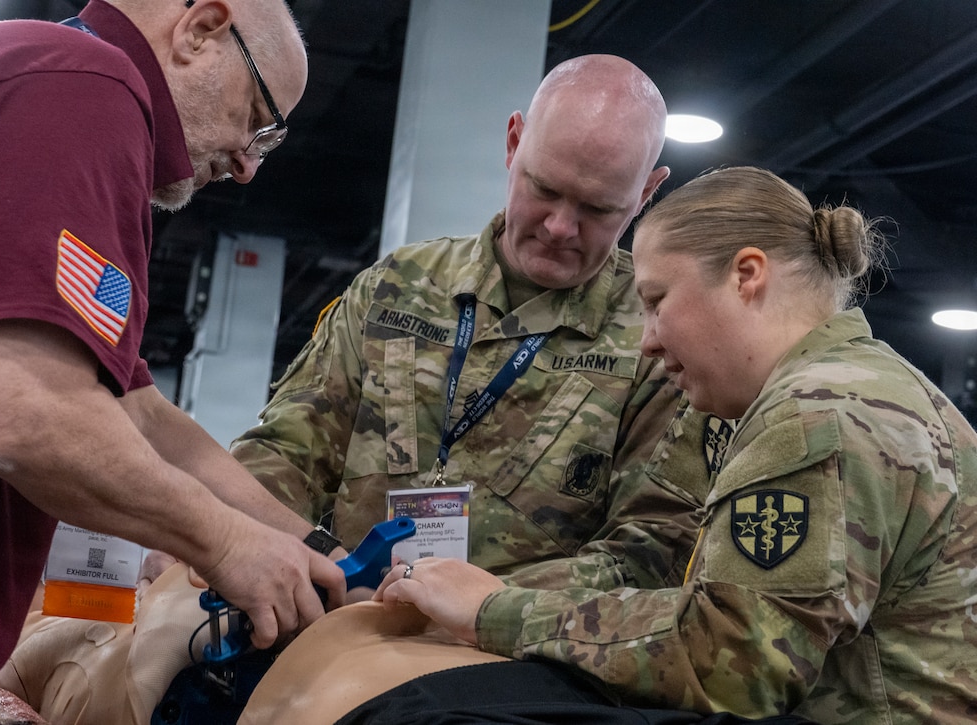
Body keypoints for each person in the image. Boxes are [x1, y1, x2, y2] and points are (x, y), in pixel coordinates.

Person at [288, 166, 975, 724]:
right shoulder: (866, 387)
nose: (646, 338)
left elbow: (731, 661)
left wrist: (495, 609)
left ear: (747, 275)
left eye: (656, 299)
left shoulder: (814, 417)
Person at [0, 0, 348, 718]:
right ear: (201, 29)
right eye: (258, 119)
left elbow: (137, 411)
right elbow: (22, 414)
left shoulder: (46, 81)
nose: (248, 165)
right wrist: (224, 542)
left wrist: (313, 544)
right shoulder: (87, 88)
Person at [230, 54, 718, 583]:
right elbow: (285, 452)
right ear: (514, 143)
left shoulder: (661, 339)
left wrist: (480, 608)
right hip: (346, 629)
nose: (559, 226)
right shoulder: (394, 288)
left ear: (646, 192)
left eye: (598, 209)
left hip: (524, 656)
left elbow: (653, 547)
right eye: (544, 189)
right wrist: (289, 553)